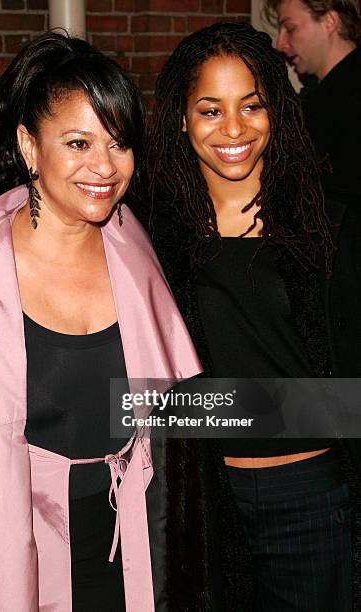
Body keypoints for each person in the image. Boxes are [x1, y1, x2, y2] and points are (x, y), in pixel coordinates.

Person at [0, 32, 201, 611]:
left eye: (119, 144)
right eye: (78, 143)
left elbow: (176, 423)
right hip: (17, 566)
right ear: (28, 146)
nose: (104, 167)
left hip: (135, 558)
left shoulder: (136, 250)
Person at [136, 21, 361, 611]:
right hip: (207, 503)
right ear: (182, 120)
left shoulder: (329, 226)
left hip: (314, 500)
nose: (233, 129)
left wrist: (202, 408)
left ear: (276, 112)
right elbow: (138, 396)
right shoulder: (154, 237)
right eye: (210, 109)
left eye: (251, 106)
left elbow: (352, 399)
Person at [263, 0, 361, 204]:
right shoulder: (315, 96)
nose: (280, 44)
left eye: (290, 28)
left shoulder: (349, 103)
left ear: (329, 21)